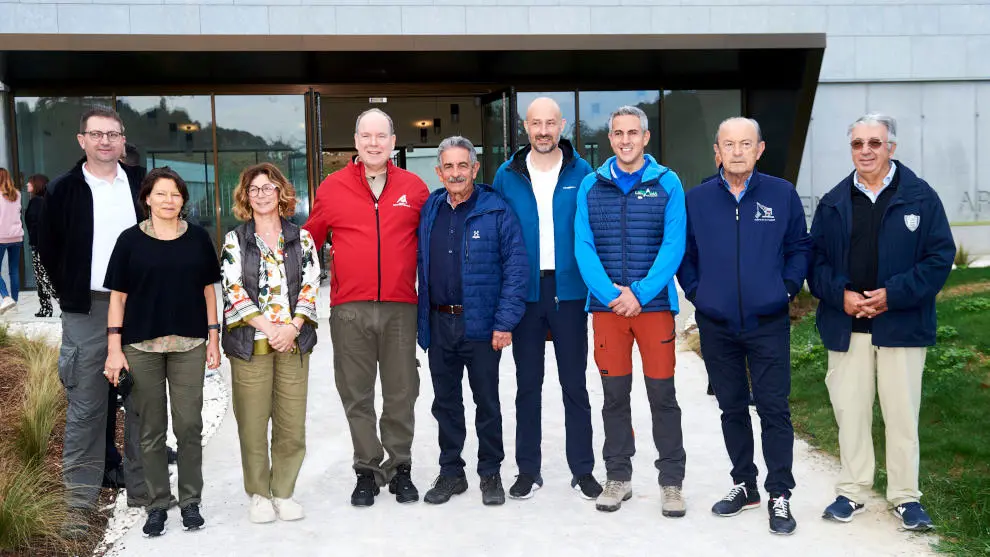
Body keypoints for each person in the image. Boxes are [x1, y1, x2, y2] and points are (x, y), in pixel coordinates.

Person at [809, 113, 955, 532]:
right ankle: (852, 490)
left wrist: (894, 295)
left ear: (892, 147)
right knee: (850, 413)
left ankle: (906, 498)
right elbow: (814, 263)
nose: (866, 151)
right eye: (858, 144)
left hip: (902, 328)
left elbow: (938, 259)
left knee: (902, 416)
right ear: (851, 148)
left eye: (875, 142)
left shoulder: (921, 197)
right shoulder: (835, 202)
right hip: (846, 326)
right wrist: (843, 296)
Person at [677, 117, 811, 535]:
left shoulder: (781, 195)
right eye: (729, 144)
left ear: (760, 149)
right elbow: (686, 254)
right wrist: (701, 294)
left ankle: (780, 493)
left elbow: (799, 248)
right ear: (717, 150)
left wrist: (784, 290)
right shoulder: (696, 199)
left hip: (767, 321)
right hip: (717, 324)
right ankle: (744, 484)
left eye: (745, 143)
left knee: (773, 408)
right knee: (731, 407)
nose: (737, 151)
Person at [303, 108, 429, 506]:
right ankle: (367, 469)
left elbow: (431, 245)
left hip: (399, 307)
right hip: (349, 309)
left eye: (381, 136)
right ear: (355, 142)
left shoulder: (415, 187)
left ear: (393, 142)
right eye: (366, 136)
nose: (374, 143)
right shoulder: (332, 187)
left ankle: (400, 466)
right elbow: (307, 243)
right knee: (356, 394)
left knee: (401, 392)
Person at [38, 106, 149, 537]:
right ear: (81, 139)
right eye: (96, 134)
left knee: (144, 404)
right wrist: (71, 291)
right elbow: (47, 248)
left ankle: (144, 491)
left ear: (123, 141)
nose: (105, 141)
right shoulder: (64, 190)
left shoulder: (142, 185)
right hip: (87, 310)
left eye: (113, 134)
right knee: (86, 407)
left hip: (140, 307)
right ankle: (77, 506)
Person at [574, 105, 688, 517]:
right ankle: (618, 477)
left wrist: (638, 293)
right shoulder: (591, 185)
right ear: (610, 139)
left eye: (633, 133)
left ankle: (672, 482)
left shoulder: (668, 183)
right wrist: (611, 295)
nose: (625, 140)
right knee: (614, 397)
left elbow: (673, 246)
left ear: (645, 138)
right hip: (607, 312)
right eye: (618, 133)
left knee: (663, 396)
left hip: (654, 307)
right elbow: (583, 248)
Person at [492, 97, 601, 501]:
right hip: (525, 292)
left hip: (569, 291)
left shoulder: (582, 172)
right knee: (527, 385)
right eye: (536, 123)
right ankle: (528, 470)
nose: (543, 130)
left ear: (563, 125)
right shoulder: (506, 174)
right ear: (525, 126)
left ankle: (583, 469)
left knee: (574, 384)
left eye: (550, 123)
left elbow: (593, 232)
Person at [103, 166, 222, 537]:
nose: (169, 200)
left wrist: (213, 338)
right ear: (147, 198)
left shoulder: (198, 238)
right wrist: (113, 349)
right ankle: (157, 505)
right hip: (140, 347)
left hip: (189, 345)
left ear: (183, 199)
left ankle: (190, 502)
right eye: (161, 193)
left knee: (189, 425)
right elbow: (117, 299)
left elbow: (208, 292)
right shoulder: (129, 242)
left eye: (175, 194)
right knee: (151, 430)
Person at [416, 136, 528, 506]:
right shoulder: (431, 208)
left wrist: (505, 322)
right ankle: (451, 472)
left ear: (475, 168)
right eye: (448, 166)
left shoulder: (497, 209)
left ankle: (490, 472)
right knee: (445, 403)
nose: (456, 172)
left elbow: (516, 268)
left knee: (487, 402)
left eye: (463, 165)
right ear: (439, 171)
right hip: (439, 321)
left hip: (481, 325)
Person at [220, 163, 320, 524]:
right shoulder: (235, 240)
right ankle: (260, 494)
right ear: (245, 196)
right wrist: (269, 328)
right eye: (254, 189)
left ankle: (284, 491)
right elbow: (232, 290)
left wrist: (292, 327)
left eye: (268, 187)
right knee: (252, 423)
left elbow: (311, 283)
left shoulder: (301, 238)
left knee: (292, 424)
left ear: (281, 192)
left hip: (293, 342)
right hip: (251, 345)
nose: (262, 194)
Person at [24, 174, 58, 318]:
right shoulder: (43, 201)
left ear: (36, 185)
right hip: (40, 245)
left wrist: (39, 244)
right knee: (40, 278)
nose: (26, 184)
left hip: (40, 246)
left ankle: (63, 303)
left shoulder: (37, 202)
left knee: (44, 277)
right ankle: (45, 308)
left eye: (30, 182)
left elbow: (39, 225)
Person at [0, 168, 24, 314]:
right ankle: (14, 301)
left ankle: (6, 297)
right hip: (16, 237)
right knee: (13, 271)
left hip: (1, 237)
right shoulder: (17, 194)